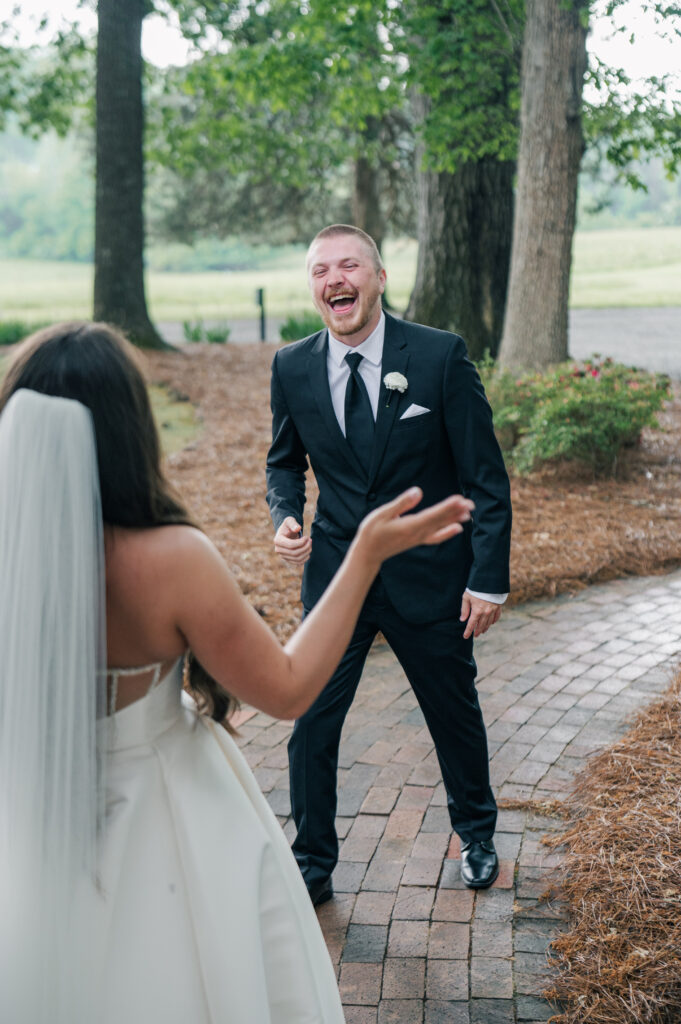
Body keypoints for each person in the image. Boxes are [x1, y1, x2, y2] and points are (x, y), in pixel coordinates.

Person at [0, 321, 473, 1024]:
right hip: (170, 816)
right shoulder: (170, 559)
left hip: (29, 817)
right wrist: (363, 555)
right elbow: (286, 690)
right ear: (131, 425)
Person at [266, 224, 512, 905]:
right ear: (314, 287)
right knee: (310, 718)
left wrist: (486, 576)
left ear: (376, 278)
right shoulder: (291, 366)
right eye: (320, 270)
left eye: (348, 265)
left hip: (429, 580)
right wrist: (284, 512)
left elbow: (484, 479)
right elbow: (283, 461)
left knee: (451, 712)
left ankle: (477, 833)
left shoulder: (437, 357)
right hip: (337, 581)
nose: (333, 279)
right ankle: (311, 860)